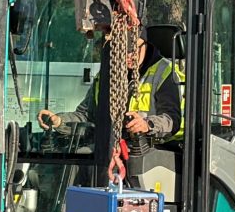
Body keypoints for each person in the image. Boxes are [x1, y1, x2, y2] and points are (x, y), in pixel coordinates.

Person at [37, 32, 183, 151]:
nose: (127, 56)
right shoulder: (107, 76)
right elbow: (87, 116)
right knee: (81, 156)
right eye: (121, 51)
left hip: (154, 150)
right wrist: (59, 121)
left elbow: (171, 119)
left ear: (145, 44)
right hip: (111, 148)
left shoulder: (165, 72)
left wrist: (147, 124)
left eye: (132, 49)